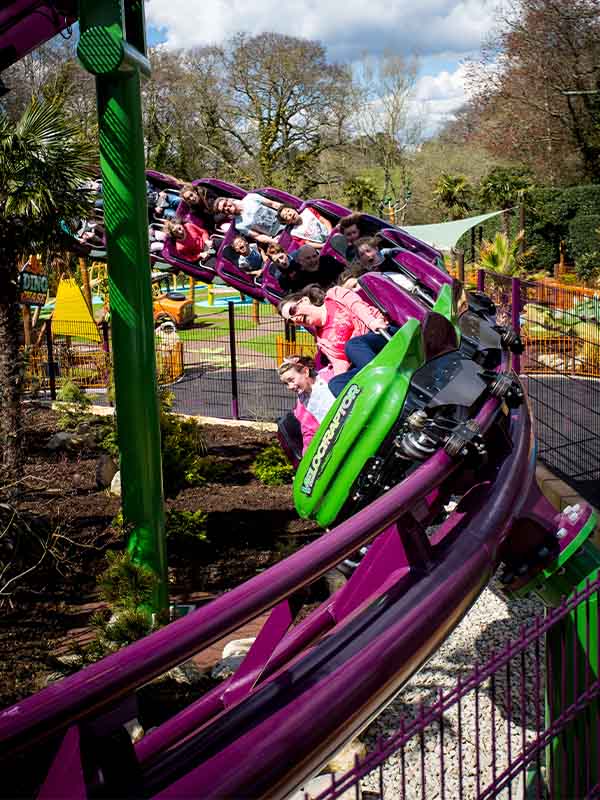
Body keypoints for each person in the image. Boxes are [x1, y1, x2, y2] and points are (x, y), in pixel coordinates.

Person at [278, 284, 390, 395]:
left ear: (304, 300)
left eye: (292, 311)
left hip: (379, 335)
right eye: (291, 321)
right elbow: (340, 363)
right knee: (336, 383)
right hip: (367, 362)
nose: (295, 319)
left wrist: (371, 321)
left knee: (352, 345)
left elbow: (357, 306)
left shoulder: (334, 296)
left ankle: (385, 384)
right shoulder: (322, 341)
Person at [278, 355, 336, 454]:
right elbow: (308, 431)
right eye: (286, 384)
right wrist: (307, 455)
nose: (290, 387)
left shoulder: (329, 378)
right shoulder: (301, 404)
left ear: (305, 372)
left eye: (291, 380)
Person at [213, 193, 283, 245]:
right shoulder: (239, 225)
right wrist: (273, 241)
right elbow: (258, 236)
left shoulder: (250, 198)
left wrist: (288, 209)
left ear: (228, 200)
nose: (226, 208)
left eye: (225, 204)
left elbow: (273, 204)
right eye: (223, 210)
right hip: (278, 234)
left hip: (286, 219)